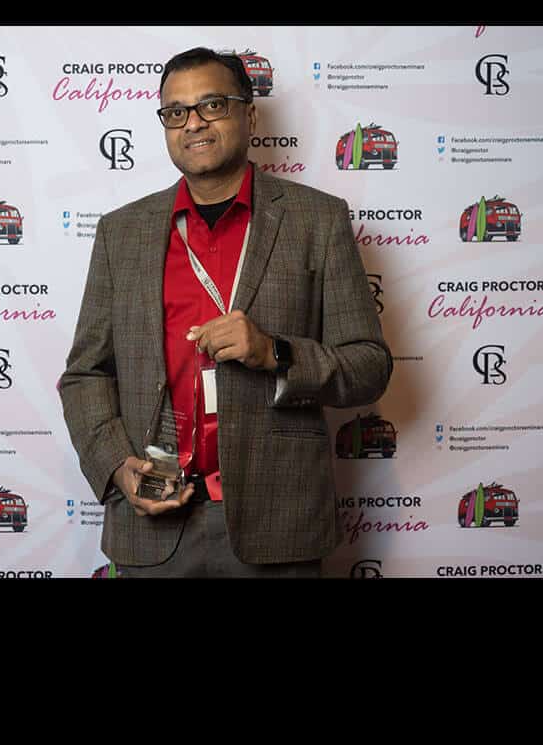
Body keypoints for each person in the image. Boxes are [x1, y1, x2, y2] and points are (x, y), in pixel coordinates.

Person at [58, 46, 393, 578]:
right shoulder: (122, 232)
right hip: (153, 523)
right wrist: (120, 469)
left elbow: (369, 367)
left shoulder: (318, 221)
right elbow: (85, 375)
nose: (193, 123)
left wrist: (276, 353)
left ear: (250, 114)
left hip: (277, 522)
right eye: (176, 112)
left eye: (212, 105)